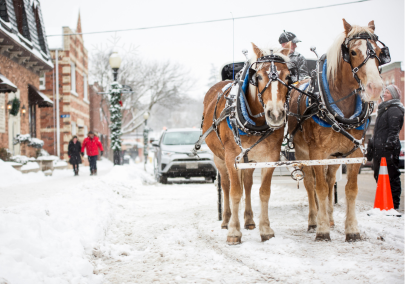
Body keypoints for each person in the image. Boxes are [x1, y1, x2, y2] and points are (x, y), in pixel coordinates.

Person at [367, 85, 404, 210]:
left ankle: (394, 205)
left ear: (393, 95)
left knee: (392, 177)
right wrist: (371, 145)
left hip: (388, 151)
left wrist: (389, 148)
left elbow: (394, 131)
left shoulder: (395, 109)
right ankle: (384, 204)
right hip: (379, 150)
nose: (384, 94)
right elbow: (378, 132)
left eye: (387, 92)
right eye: (384, 92)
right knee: (379, 176)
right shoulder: (383, 110)